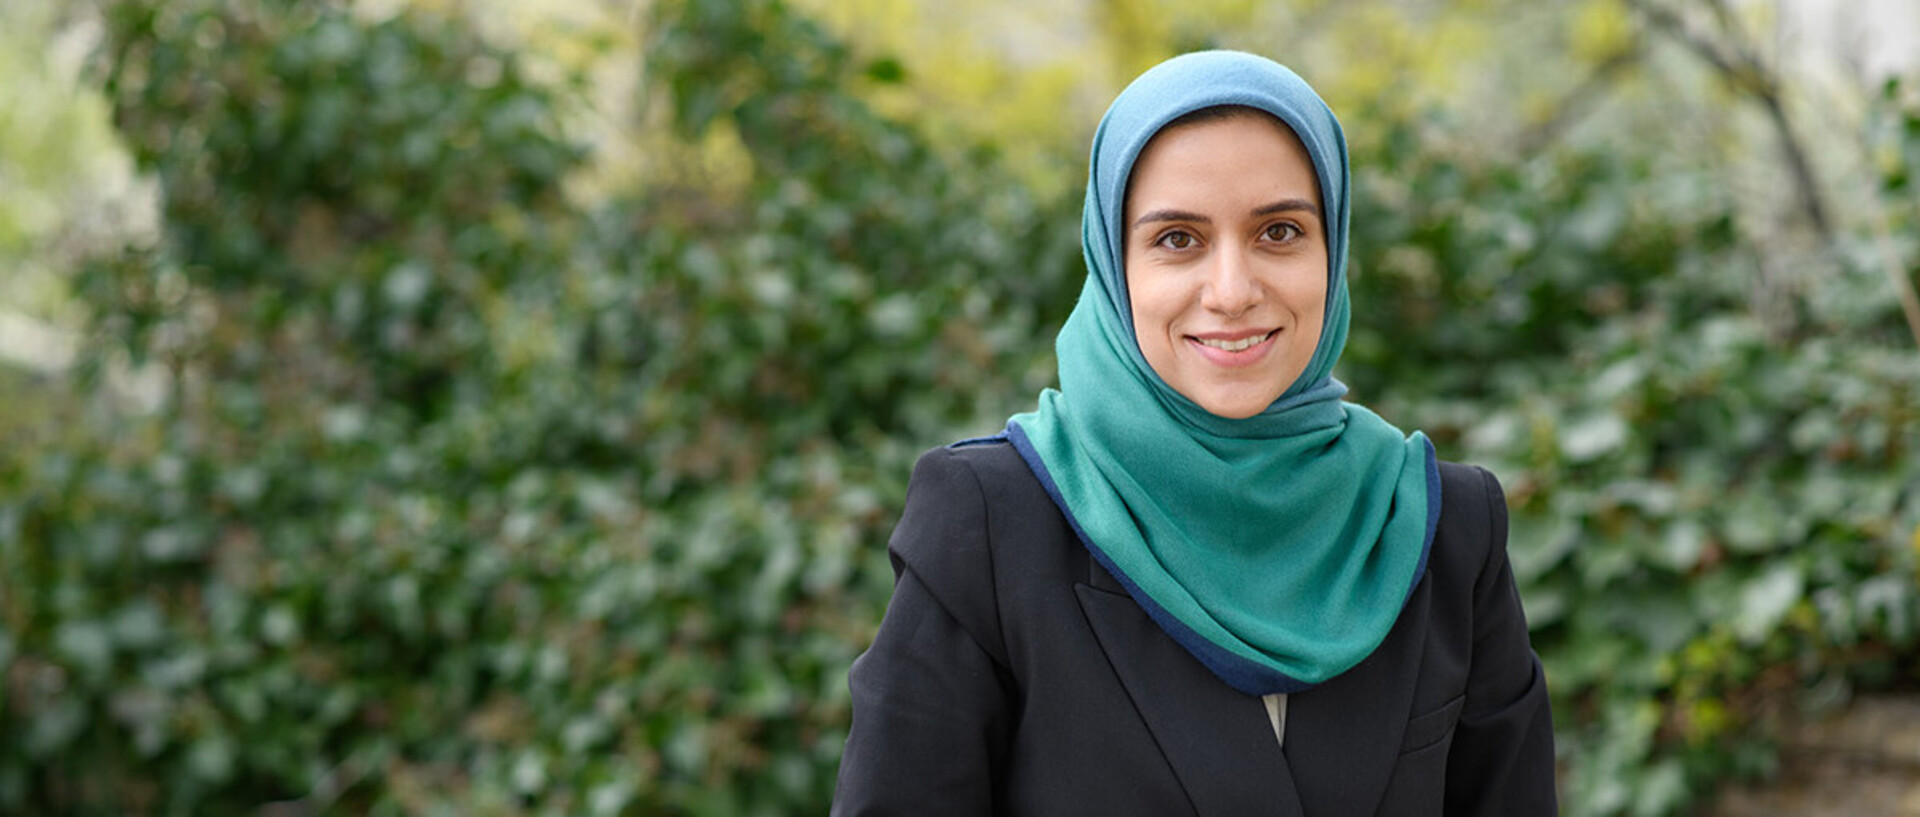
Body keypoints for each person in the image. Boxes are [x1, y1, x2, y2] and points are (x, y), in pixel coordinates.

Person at [832, 50, 1556, 816]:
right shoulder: (990, 520)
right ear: (1114, 264)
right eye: (1178, 239)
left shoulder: (1439, 525)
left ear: (1334, 249)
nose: (1233, 291)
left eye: (1279, 231)